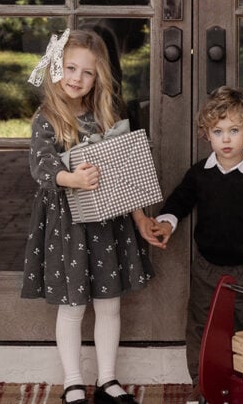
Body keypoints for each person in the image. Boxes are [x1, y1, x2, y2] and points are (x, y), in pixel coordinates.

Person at [21, 28, 163, 404]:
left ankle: (107, 380)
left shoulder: (105, 116)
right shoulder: (47, 118)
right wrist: (72, 178)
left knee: (109, 304)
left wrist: (139, 217)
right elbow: (42, 165)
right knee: (73, 306)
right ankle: (73, 382)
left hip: (107, 223)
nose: (77, 78)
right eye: (70, 68)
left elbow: (122, 174)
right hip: (68, 226)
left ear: (98, 77)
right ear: (57, 68)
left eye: (87, 72)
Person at [153, 86, 243, 393]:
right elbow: (180, 200)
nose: (226, 139)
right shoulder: (200, 173)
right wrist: (167, 222)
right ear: (206, 134)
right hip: (207, 270)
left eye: (234, 130)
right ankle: (203, 387)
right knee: (202, 325)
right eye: (218, 131)